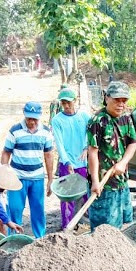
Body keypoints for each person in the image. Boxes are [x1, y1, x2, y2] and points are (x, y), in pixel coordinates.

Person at [86, 81, 136, 230]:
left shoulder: (126, 118)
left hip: (122, 182)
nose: (121, 104)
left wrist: (123, 163)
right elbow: (93, 152)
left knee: (126, 225)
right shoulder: (97, 121)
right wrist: (95, 181)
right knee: (105, 229)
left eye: (124, 100)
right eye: (117, 100)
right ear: (107, 97)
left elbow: (133, 143)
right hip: (104, 185)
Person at [2, 102, 55, 238]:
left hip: (37, 177)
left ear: (39, 117)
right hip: (17, 178)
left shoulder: (46, 132)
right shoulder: (15, 130)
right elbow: (6, 153)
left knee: (38, 209)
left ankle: (40, 238)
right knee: (15, 209)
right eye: (29, 118)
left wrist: (50, 179)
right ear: (24, 115)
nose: (31, 122)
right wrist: (4, 174)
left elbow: (49, 154)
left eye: (34, 119)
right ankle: (14, 239)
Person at [51, 86, 91, 230]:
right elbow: (59, 142)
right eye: (63, 103)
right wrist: (66, 160)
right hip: (67, 164)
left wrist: (87, 147)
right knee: (67, 196)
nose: (67, 106)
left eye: (69, 102)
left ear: (75, 100)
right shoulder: (57, 120)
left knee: (87, 193)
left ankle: (87, 225)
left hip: (83, 163)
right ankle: (66, 226)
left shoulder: (84, 117)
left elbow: (91, 134)